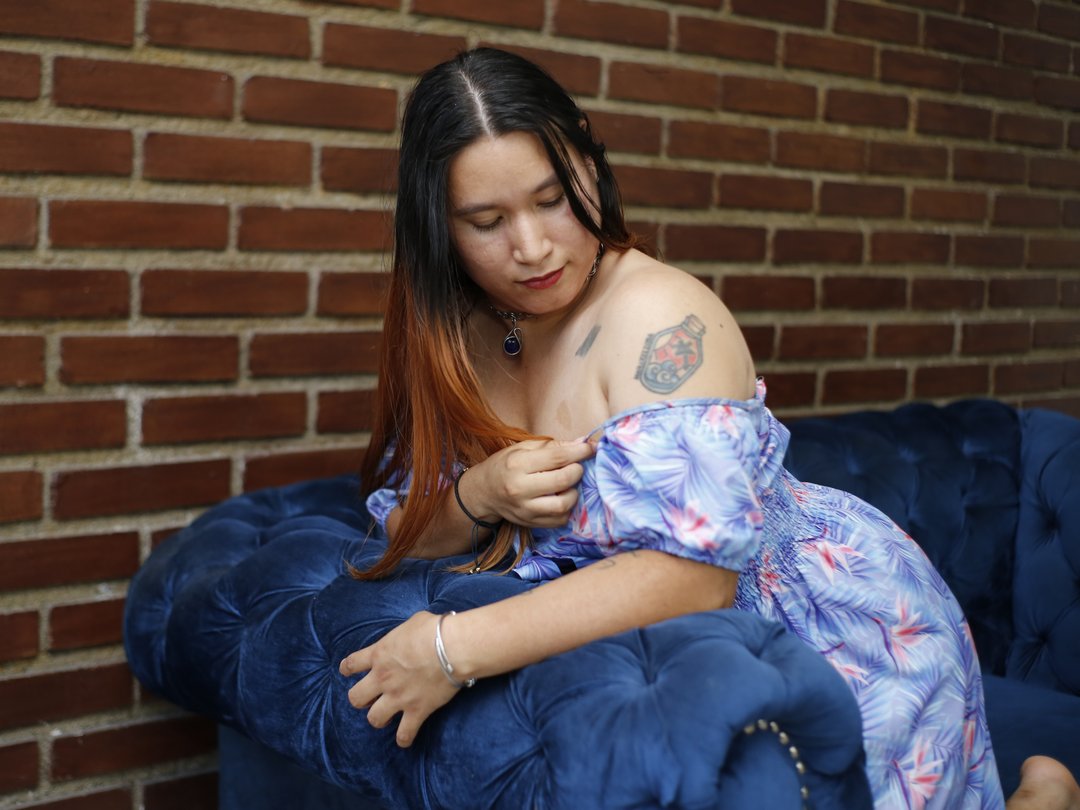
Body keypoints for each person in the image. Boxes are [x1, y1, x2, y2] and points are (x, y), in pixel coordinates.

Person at [338, 48, 1080, 810]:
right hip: (643, 667)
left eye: (552, 199)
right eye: (487, 222)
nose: (531, 248)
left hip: (825, 635)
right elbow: (405, 531)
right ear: (438, 226)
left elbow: (694, 577)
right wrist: (479, 495)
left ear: (590, 158)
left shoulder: (659, 316)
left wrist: (451, 649)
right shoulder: (458, 338)